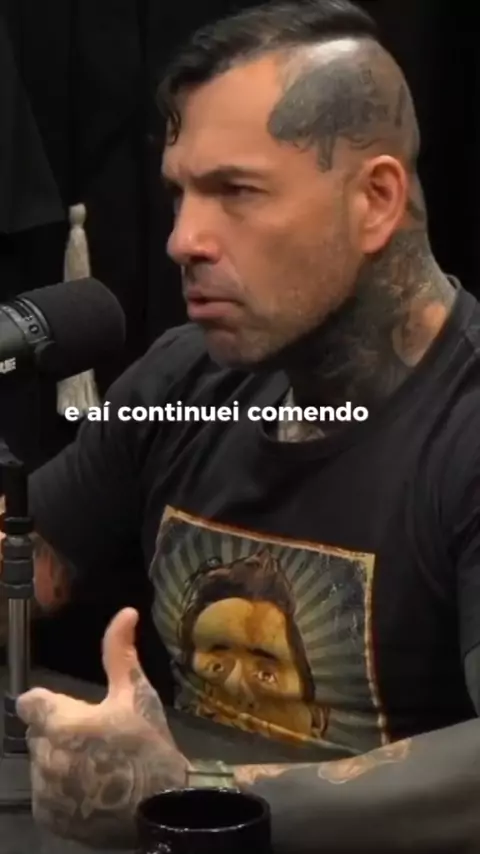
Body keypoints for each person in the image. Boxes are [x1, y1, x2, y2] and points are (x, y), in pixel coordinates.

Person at [3, 0, 480, 850]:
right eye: (180, 193)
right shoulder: (184, 380)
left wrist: (188, 797)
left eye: (236, 192)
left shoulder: (465, 422)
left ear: (375, 200)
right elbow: (23, 567)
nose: (183, 239)